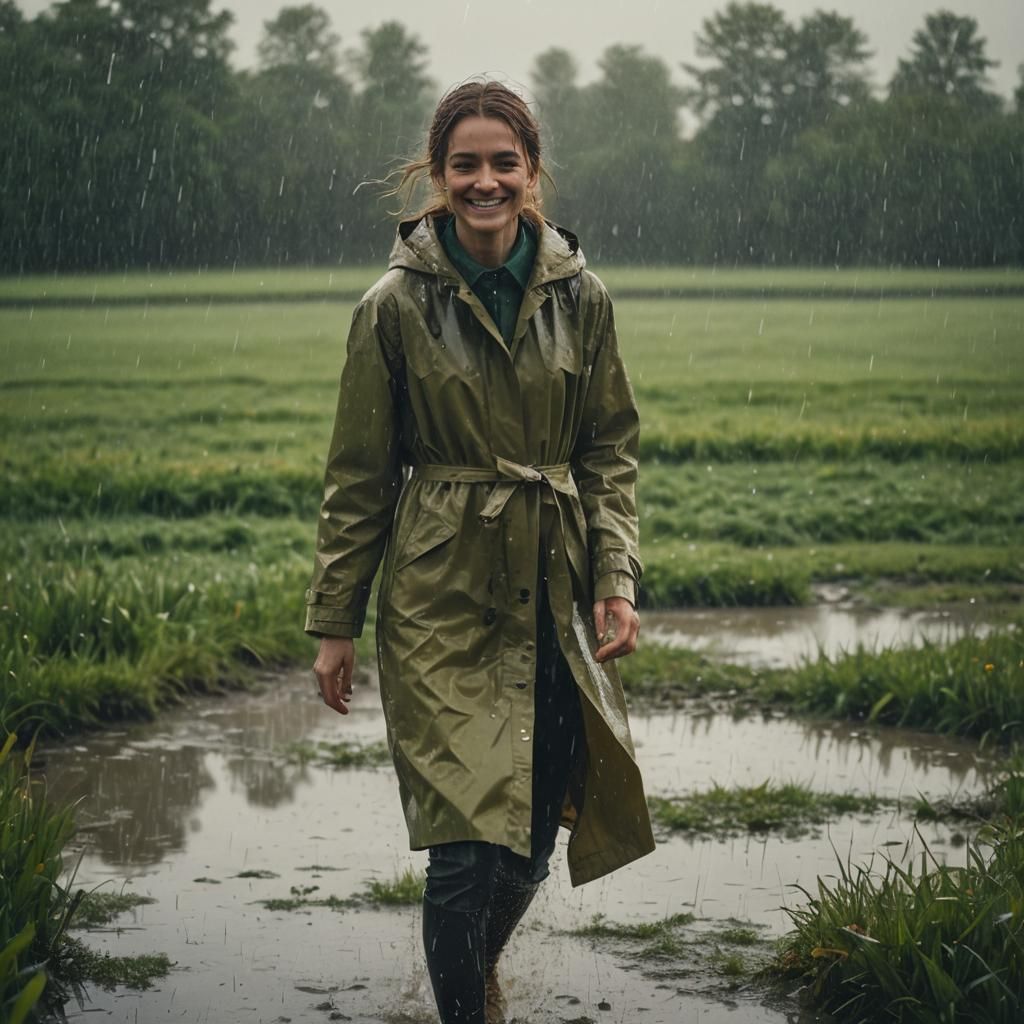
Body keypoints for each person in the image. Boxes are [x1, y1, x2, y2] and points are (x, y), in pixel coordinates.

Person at [307, 79, 655, 1024]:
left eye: (505, 162)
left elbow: (608, 451)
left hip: (552, 582)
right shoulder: (392, 307)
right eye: (466, 164)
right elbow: (359, 475)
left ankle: (478, 975)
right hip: (439, 596)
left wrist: (615, 577)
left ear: (532, 172)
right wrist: (335, 622)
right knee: (465, 848)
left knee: (531, 839)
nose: (485, 181)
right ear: (438, 173)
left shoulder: (583, 298)